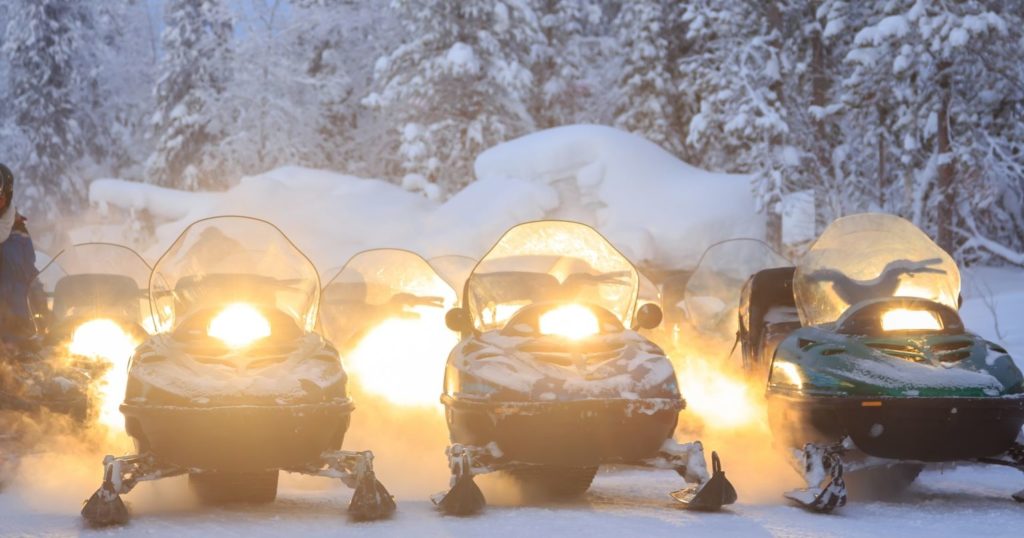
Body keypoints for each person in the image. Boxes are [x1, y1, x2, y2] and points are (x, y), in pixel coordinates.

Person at [0, 164, 38, 345]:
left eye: (0, 197)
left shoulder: (19, 232)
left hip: (18, 337)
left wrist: (43, 313)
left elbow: (28, 275)